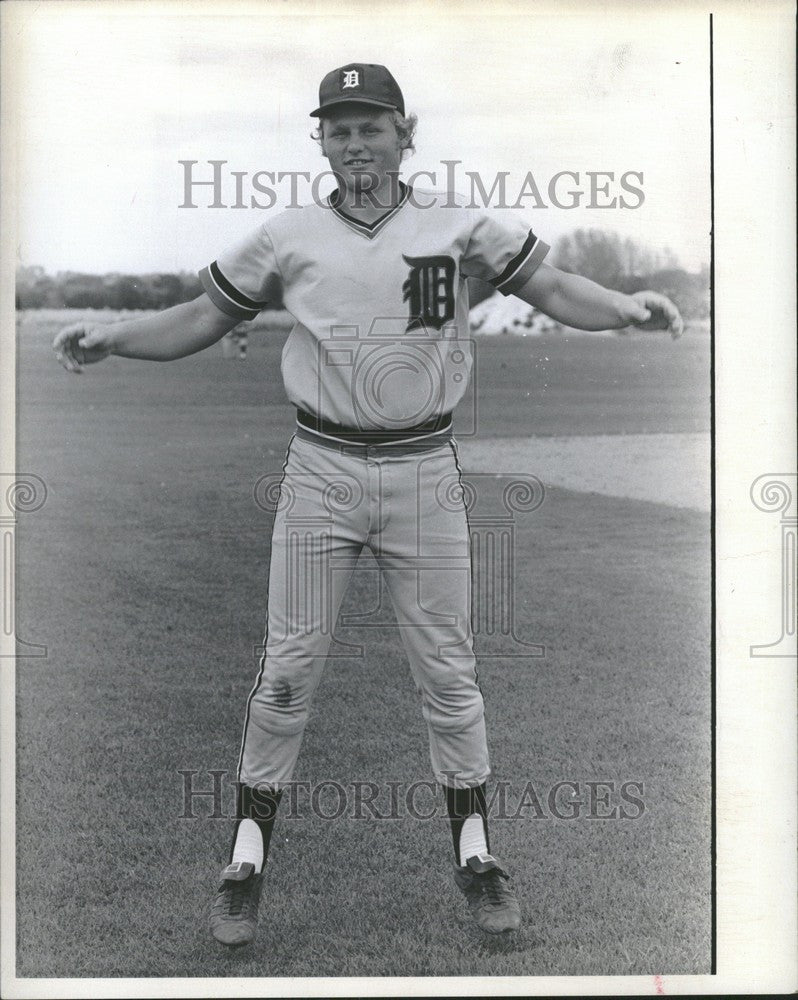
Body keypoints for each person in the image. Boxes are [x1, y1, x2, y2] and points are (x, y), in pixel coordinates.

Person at [53, 62, 683, 948]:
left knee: (449, 675)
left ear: (404, 132)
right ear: (320, 139)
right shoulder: (289, 234)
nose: (356, 144)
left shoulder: (458, 222)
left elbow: (552, 287)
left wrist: (627, 305)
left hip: (425, 472)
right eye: (338, 129)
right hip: (321, 472)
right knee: (286, 671)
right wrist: (112, 336)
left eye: (371, 127)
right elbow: (199, 317)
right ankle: (244, 863)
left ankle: (478, 860)